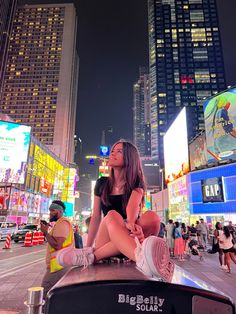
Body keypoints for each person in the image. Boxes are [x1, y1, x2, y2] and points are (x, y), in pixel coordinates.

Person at [56, 140, 174, 282]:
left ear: (130, 158)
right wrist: (87, 247)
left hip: (128, 238)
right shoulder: (102, 183)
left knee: (152, 217)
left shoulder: (137, 183)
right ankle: (141, 259)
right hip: (106, 240)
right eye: (113, 150)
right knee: (112, 215)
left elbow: (133, 206)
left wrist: (131, 223)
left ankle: (93, 256)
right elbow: (96, 218)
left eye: (119, 151)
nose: (113, 153)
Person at [40, 200, 74, 301]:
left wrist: (45, 233)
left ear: (59, 211)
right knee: (57, 295)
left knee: (44, 293)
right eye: (50, 210)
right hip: (59, 265)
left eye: (52, 210)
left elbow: (57, 245)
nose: (50, 213)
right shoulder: (59, 223)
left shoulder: (62, 223)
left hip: (58, 267)